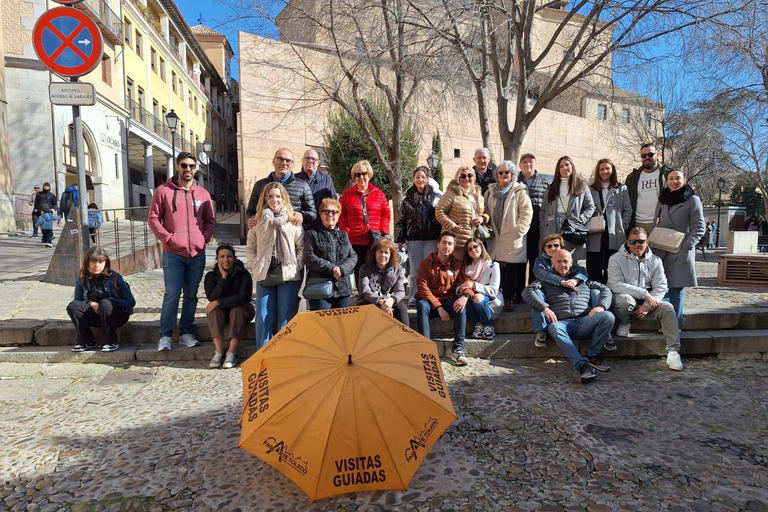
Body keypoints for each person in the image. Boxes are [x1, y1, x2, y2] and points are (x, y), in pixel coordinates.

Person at [148, 151, 216, 352]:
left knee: (192, 295)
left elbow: (210, 220)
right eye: (184, 165)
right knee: (172, 293)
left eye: (191, 166)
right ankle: (165, 335)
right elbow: (153, 219)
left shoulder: (203, 194)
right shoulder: (163, 191)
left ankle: (186, 331)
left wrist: (203, 239)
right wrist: (169, 238)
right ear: (177, 167)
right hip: (173, 254)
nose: (188, 169)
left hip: (197, 254)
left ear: (196, 169)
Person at [522, 249, 614, 384]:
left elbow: (605, 289)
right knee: (553, 327)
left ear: (571, 263)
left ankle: (594, 355)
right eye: (558, 261)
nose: (562, 265)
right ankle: (583, 366)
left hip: (584, 321)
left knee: (608, 316)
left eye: (565, 261)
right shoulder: (546, 281)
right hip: (561, 323)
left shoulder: (583, 280)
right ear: (552, 263)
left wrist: (601, 306)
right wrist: (544, 308)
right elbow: (527, 291)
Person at [607, 227, 683, 371]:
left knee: (668, 308)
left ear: (647, 242)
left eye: (641, 241)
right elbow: (615, 285)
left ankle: (673, 352)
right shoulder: (616, 259)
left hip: (647, 303)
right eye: (633, 241)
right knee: (625, 300)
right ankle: (625, 322)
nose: (637, 244)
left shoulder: (655, 260)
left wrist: (647, 304)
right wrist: (644, 294)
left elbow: (661, 286)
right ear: (628, 243)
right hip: (625, 299)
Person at [245, 183, 304, 349]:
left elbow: (302, 248)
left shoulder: (293, 222)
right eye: (270, 196)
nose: (274, 200)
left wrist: (296, 265)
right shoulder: (257, 221)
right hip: (264, 273)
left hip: (287, 274)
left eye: (278, 196)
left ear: (284, 198)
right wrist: (254, 264)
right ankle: (263, 353)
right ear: (265, 198)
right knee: (263, 317)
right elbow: (250, 247)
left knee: (285, 317)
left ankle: (282, 352)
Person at [652, 169, 705, 329]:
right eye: (671, 179)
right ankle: (664, 322)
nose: (674, 181)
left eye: (678, 178)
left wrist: (688, 245)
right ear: (666, 181)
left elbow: (699, 227)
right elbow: (657, 221)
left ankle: (675, 325)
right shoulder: (662, 200)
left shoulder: (692, 200)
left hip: (680, 249)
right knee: (662, 287)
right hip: (661, 248)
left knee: (676, 289)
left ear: (684, 180)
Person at [415, 231, 473, 367]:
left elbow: (466, 283)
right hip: (429, 301)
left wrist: (465, 296)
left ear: (453, 247)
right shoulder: (426, 263)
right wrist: (438, 306)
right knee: (422, 305)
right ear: (438, 244)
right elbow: (423, 289)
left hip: (448, 300)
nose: (447, 246)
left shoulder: (457, 264)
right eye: (444, 243)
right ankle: (426, 348)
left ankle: (458, 348)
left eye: (450, 244)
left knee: (460, 306)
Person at [529, 234, 594, 349]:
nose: (553, 248)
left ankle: (598, 325)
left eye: (556, 245)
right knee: (536, 296)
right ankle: (541, 331)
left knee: (595, 292)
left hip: (565, 292)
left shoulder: (566, 257)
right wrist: (561, 281)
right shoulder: (540, 260)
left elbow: (583, 271)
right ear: (544, 248)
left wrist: (575, 280)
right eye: (549, 246)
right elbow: (540, 273)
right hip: (546, 290)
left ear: (561, 247)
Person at [66, 246, 135, 352]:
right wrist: (90, 303)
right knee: (73, 306)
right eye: (93, 261)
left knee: (105, 303)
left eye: (100, 262)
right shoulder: (82, 279)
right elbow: (78, 301)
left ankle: (111, 341)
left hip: (115, 315)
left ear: (105, 262)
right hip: (95, 317)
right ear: (87, 262)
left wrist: (109, 302)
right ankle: (87, 341)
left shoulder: (115, 277)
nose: (96, 265)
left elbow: (131, 302)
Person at [484, 160, 532, 311]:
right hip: (495, 236)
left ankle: (509, 298)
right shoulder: (490, 192)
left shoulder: (519, 192)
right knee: (497, 268)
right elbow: (484, 210)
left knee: (511, 268)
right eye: (501, 172)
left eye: (507, 172)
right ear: (496, 175)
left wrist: (519, 230)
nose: (504, 175)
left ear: (512, 175)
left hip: (512, 235)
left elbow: (526, 213)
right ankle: (498, 297)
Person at [338, 160, 391, 287]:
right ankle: (362, 299)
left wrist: (383, 230)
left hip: (374, 240)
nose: (361, 177)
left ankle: (375, 298)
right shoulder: (347, 195)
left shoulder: (379, 193)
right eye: (357, 175)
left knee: (375, 271)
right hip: (355, 241)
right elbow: (341, 214)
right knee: (359, 272)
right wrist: (346, 230)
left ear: (369, 175)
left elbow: (386, 213)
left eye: (363, 174)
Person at [396, 166, 442, 305]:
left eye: (423, 177)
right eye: (417, 177)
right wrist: (399, 239)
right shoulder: (407, 199)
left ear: (427, 179)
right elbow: (401, 220)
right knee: (415, 270)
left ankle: (431, 297)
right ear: (413, 179)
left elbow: (440, 218)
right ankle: (414, 297)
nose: (420, 180)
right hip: (413, 239)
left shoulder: (436, 197)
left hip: (432, 239)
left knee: (431, 269)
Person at [204, 244, 255, 369]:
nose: (225, 260)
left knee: (237, 309)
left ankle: (232, 352)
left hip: (243, 311)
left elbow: (243, 297)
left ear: (234, 258)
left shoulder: (243, 274)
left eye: (229, 256)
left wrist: (219, 302)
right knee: (214, 311)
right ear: (217, 259)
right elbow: (212, 297)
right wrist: (223, 278)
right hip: (223, 313)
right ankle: (219, 352)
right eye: (222, 257)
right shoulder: (211, 276)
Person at [303, 198, 358, 310]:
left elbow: (353, 256)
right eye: (326, 211)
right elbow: (309, 257)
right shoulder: (311, 234)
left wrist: (342, 270)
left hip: (343, 288)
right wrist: (332, 268)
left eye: (334, 212)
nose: (330, 215)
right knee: (322, 325)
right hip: (319, 286)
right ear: (321, 214)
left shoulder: (343, 235)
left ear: (339, 215)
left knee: (342, 324)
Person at [586, 158, 632, 284]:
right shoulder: (590, 190)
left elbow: (627, 210)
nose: (604, 171)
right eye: (601, 169)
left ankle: (610, 298)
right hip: (595, 234)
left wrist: (622, 225)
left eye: (607, 168)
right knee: (594, 269)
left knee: (612, 270)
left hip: (614, 235)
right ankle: (595, 297)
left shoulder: (621, 189)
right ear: (597, 171)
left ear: (612, 170)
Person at [246, 148, 316, 229]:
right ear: (273, 161)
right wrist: (249, 220)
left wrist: (302, 215)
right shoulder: (260, 185)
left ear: (293, 165)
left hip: (291, 237)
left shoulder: (303, 186)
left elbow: (313, 213)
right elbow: (250, 211)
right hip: (266, 236)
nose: (284, 163)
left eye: (288, 160)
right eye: (280, 159)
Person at [540, 156, 595, 260]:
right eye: (561, 166)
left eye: (567, 165)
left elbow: (590, 206)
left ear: (572, 167)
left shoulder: (581, 185)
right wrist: (542, 226)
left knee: (571, 258)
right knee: (553, 257)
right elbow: (543, 209)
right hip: (552, 225)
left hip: (572, 225)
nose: (564, 168)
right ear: (558, 169)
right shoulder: (551, 187)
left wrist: (581, 220)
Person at [435, 166, 489, 261]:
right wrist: (453, 226)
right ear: (458, 178)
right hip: (458, 240)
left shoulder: (478, 195)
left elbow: (485, 212)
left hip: (475, 240)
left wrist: (482, 218)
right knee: (455, 270)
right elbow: (439, 212)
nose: (466, 178)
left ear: (474, 177)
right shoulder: (451, 193)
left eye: (470, 175)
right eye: (463, 176)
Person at [357, 238, 409, 325]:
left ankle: (407, 337)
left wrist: (391, 300)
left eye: (386, 253)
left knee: (401, 308)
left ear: (391, 255)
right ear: (375, 253)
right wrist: (380, 301)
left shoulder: (398, 269)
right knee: (364, 307)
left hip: (390, 301)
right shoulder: (365, 268)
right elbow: (365, 291)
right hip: (370, 301)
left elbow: (400, 291)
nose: (383, 255)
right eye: (380, 252)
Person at [517, 153, 550, 285]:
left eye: (531, 161)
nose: (528, 164)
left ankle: (532, 290)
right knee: (519, 261)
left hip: (536, 228)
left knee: (535, 260)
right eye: (525, 162)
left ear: (535, 164)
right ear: (520, 165)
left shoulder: (544, 183)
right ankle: (518, 292)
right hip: (518, 229)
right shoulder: (514, 181)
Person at [461, 238, 502, 339]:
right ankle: (478, 325)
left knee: (477, 297)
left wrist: (474, 285)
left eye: (475, 246)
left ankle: (489, 326)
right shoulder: (465, 267)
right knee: (464, 300)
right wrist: (462, 289)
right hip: (469, 295)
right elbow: (461, 285)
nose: (473, 250)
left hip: (489, 298)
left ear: (481, 247)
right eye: (469, 249)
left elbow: (493, 290)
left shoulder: (493, 265)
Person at [625, 143, 668, 233]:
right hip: (637, 223)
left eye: (650, 154)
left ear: (658, 155)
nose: (647, 157)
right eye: (643, 155)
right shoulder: (632, 177)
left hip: (660, 223)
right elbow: (626, 202)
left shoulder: (667, 175)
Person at [296, 149, 338, 219]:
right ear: (302, 160)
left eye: (313, 159)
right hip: (299, 224)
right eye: (307, 158)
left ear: (318, 162)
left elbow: (333, 202)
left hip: (319, 225)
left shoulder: (327, 179)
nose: (310, 161)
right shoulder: (294, 179)